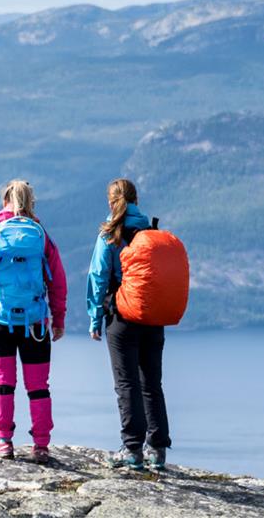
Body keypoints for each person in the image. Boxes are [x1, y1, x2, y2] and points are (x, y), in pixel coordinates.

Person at [0, 179, 68, 462]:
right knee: (38, 387)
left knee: (2, 383)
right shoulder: (41, 237)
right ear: (32, 203)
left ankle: (4, 443)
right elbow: (57, 282)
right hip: (35, 324)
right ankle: (40, 446)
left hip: (0, 322)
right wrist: (58, 319)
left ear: (4, 203)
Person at [87, 178, 171, 470]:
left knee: (127, 383)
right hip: (152, 316)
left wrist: (95, 317)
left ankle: (132, 449)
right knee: (152, 383)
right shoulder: (150, 230)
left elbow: (99, 276)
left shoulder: (110, 233)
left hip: (122, 317)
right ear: (137, 199)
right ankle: (157, 449)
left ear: (111, 203)